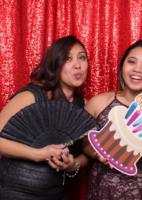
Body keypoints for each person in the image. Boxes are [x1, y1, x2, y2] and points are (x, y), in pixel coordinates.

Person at [82, 40, 142, 200]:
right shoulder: (98, 103)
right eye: (131, 61)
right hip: (104, 189)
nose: (137, 69)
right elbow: (84, 144)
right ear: (122, 66)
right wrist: (99, 154)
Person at [0, 35, 89, 200]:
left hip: (54, 194)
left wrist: (73, 165)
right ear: (55, 64)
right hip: (12, 191)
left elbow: (87, 152)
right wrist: (38, 154)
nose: (78, 65)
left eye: (82, 57)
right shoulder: (32, 96)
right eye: (68, 58)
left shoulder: (84, 105)